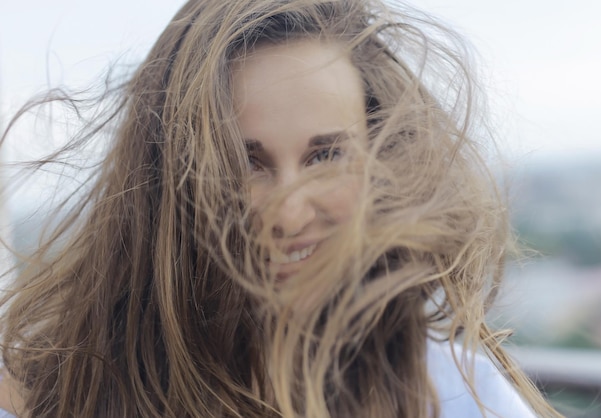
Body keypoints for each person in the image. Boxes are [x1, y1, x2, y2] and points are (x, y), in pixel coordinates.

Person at [0, 0, 562, 417]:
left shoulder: (458, 397)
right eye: (244, 162)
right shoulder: (50, 390)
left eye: (326, 155)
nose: (290, 215)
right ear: (165, 181)